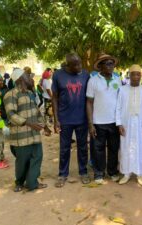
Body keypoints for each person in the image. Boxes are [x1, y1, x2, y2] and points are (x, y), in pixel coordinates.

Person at [4, 68, 50, 192]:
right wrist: (29, 123)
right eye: (28, 76)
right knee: (22, 162)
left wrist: (45, 126)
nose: (31, 78)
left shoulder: (30, 93)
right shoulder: (11, 94)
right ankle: (19, 182)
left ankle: (32, 183)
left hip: (35, 135)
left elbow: (37, 112)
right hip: (20, 137)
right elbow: (11, 115)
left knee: (37, 157)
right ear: (20, 79)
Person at [52, 53, 90, 188]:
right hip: (65, 119)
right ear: (68, 65)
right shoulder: (57, 75)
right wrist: (56, 119)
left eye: (80, 63)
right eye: (76, 64)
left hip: (82, 118)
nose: (79, 66)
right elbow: (54, 98)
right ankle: (62, 174)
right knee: (64, 148)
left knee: (83, 147)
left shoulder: (86, 74)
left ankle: (83, 172)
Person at [116, 65, 142, 186]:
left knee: (141, 149)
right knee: (125, 148)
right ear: (130, 75)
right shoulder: (122, 90)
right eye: (133, 74)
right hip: (126, 123)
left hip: (141, 124)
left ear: (141, 76)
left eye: (138, 74)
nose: (136, 77)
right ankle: (126, 173)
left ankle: (140, 174)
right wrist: (119, 124)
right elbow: (118, 108)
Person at [86, 54, 121, 184]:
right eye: (107, 64)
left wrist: (120, 121)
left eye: (112, 64)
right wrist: (90, 124)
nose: (111, 66)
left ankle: (112, 171)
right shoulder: (93, 80)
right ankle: (99, 172)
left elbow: (120, 101)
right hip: (98, 122)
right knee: (97, 149)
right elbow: (89, 102)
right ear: (100, 66)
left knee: (113, 148)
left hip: (114, 122)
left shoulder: (117, 80)